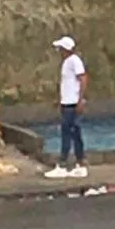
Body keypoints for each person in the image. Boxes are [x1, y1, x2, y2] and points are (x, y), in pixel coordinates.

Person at [45, 36, 89, 179]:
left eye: (60, 49)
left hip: (72, 103)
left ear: (66, 49)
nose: (59, 51)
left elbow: (83, 78)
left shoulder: (74, 61)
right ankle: (79, 163)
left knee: (68, 132)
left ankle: (64, 164)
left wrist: (80, 100)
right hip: (67, 102)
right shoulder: (68, 62)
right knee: (73, 132)